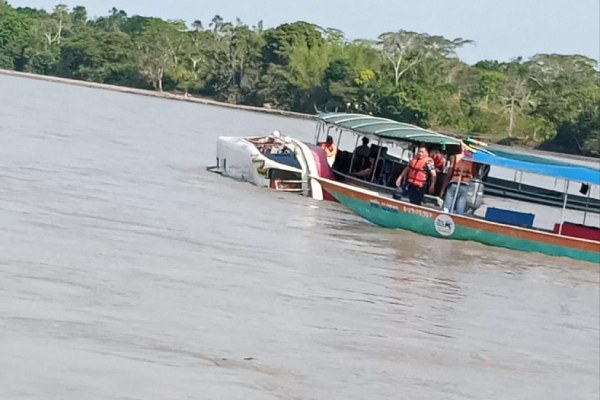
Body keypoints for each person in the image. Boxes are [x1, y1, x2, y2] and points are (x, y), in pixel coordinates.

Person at [441, 149, 479, 214]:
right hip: (465, 185)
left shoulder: (454, 157)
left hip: (453, 183)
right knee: (460, 209)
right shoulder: (473, 159)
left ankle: (444, 218)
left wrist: (443, 189)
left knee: (446, 208)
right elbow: (474, 173)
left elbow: (449, 173)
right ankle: (458, 219)